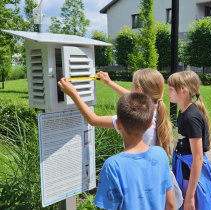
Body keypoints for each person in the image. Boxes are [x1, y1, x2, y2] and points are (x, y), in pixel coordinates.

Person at [58, 68, 183, 207]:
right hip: (156, 184)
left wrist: (72, 93)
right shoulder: (156, 110)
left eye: (132, 84)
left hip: (137, 183)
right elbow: (136, 100)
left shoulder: (129, 121)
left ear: (139, 91)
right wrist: (110, 83)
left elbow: (93, 119)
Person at [93, 92, 175, 209]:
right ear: (149, 124)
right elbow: (171, 204)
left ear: (117, 124)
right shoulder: (160, 154)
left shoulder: (113, 166)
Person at [167, 71, 211, 210]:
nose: (167, 91)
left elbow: (198, 158)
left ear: (183, 91)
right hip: (184, 170)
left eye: (171, 89)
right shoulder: (183, 111)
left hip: (190, 174)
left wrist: (189, 196)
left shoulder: (191, 118)